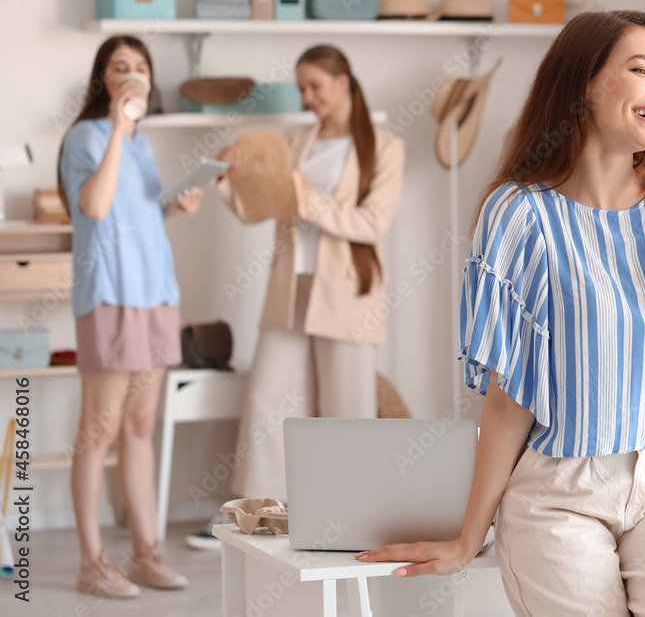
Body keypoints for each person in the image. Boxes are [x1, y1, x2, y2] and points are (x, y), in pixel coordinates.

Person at [356, 10, 645, 616]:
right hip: (559, 492)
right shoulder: (520, 216)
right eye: (640, 70)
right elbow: (508, 398)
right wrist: (470, 535)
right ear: (584, 82)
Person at [186, 44, 404, 549]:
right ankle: (254, 518)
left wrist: (309, 199)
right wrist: (225, 175)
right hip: (290, 289)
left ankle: (353, 517)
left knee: (346, 412)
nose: (307, 97)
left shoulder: (385, 148)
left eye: (315, 87)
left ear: (343, 81)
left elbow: (372, 223)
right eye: (302, 87)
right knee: (266, 402)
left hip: (347, 294)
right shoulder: (295, 140)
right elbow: (256, 208)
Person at [59, 35, 202, 599]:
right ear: (104, 81)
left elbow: (133, 216)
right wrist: (118, 128)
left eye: (140, 67)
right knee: (100, 430)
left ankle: (146, 554)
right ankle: (92, 563)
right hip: (110, 297)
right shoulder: (86, 137)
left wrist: (173, 204)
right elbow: (93, 207)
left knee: (140, 427)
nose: (132, 75)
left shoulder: (140, 143)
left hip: (155, 295)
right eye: (120, 68)